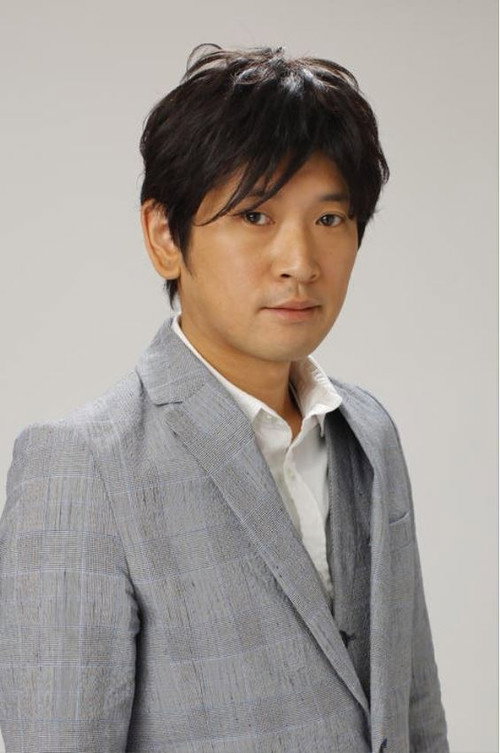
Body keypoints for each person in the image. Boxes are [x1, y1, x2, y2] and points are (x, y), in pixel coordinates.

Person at [0, 43, 449, 752]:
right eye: (255, 216)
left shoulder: (370, 432)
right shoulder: (84, 465)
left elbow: (414, 715)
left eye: (329, 219)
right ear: (164, 236)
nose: (300, 262)